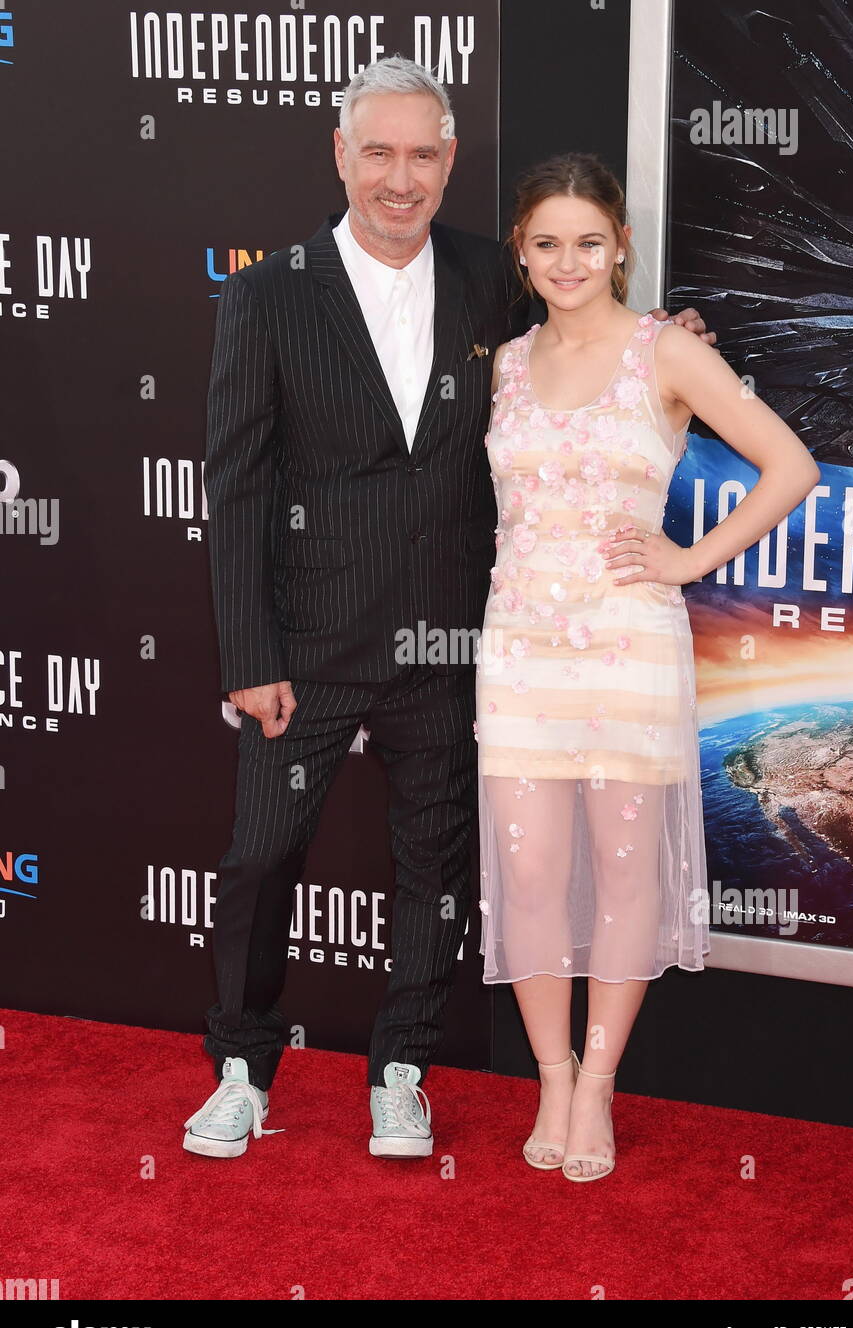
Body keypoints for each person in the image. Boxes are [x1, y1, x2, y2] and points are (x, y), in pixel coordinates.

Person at [182, 57, 715, 1160]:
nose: (400, 177)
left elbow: (594, 326)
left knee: (433, 868)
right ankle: (241, 1067)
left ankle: (404, 1071)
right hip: (310, 643)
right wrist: (249, 650)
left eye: (423, 153)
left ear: (450, 160)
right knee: (260, 854)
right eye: (377, 152)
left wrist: (688, 337)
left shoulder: (491, 275)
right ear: (340, 155)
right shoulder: (269, 292)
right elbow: (233, 484)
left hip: (454, 640)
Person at [476, 153, 820, 1182]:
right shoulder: (504, 363)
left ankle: (598, 1085)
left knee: (624, 874)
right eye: (547, 243)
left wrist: (689, 559)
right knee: (531, 871)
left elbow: (790, 464)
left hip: (628, 649)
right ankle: (550, 1068)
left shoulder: (664, 353)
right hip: (519, 653)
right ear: (523, 254)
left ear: (620, 245)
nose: (568, 260)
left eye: (589, 241)